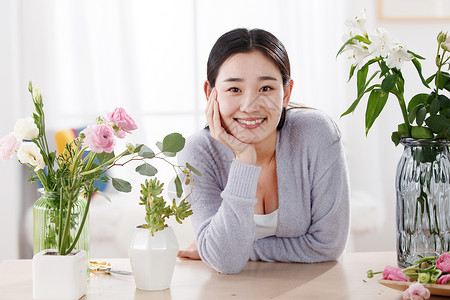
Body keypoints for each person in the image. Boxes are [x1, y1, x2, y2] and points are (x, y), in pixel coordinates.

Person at [177, 28, 350, 274]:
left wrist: (237, 250)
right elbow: (225, 262)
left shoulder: (316, 133)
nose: (249, 106)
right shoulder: (196, 153)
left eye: (266, 88)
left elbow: (328, 246)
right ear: (210, 93)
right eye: (234, 89)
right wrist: (244, 161)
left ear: (286, 92)